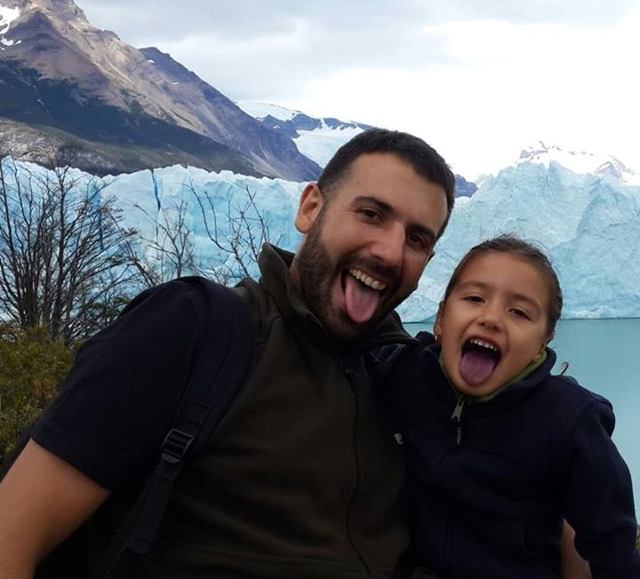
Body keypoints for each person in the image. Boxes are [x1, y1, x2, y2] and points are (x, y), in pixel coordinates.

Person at [0, 128, 456, 579]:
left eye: (417, 239)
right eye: (372, 214)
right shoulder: (195, 328)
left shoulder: (402, 380)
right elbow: (12, 535)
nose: (392, 252)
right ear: (311, 208)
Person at [380, 235, 640, 578]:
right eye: (474, 298)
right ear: (441, 319)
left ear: (541, 345)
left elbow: (612, 543)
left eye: (519, 312)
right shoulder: (406, 373)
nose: (491, 318)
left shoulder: (569, 420)